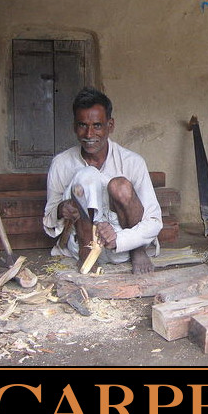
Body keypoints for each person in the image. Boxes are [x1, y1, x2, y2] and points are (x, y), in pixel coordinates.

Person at [43, 87, 162, 274]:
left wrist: (121, 240)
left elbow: (154, 221)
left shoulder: (133, 162)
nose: (89, 134)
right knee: (87, 175)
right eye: (82, 125)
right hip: (80, 243)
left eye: (97, 125)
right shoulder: (61, 163)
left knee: (120, 186)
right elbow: (49, 217)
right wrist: (61, 209)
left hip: (122, 245)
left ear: (110, 125)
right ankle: (87, 252)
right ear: (75, 126)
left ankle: (139, 252)